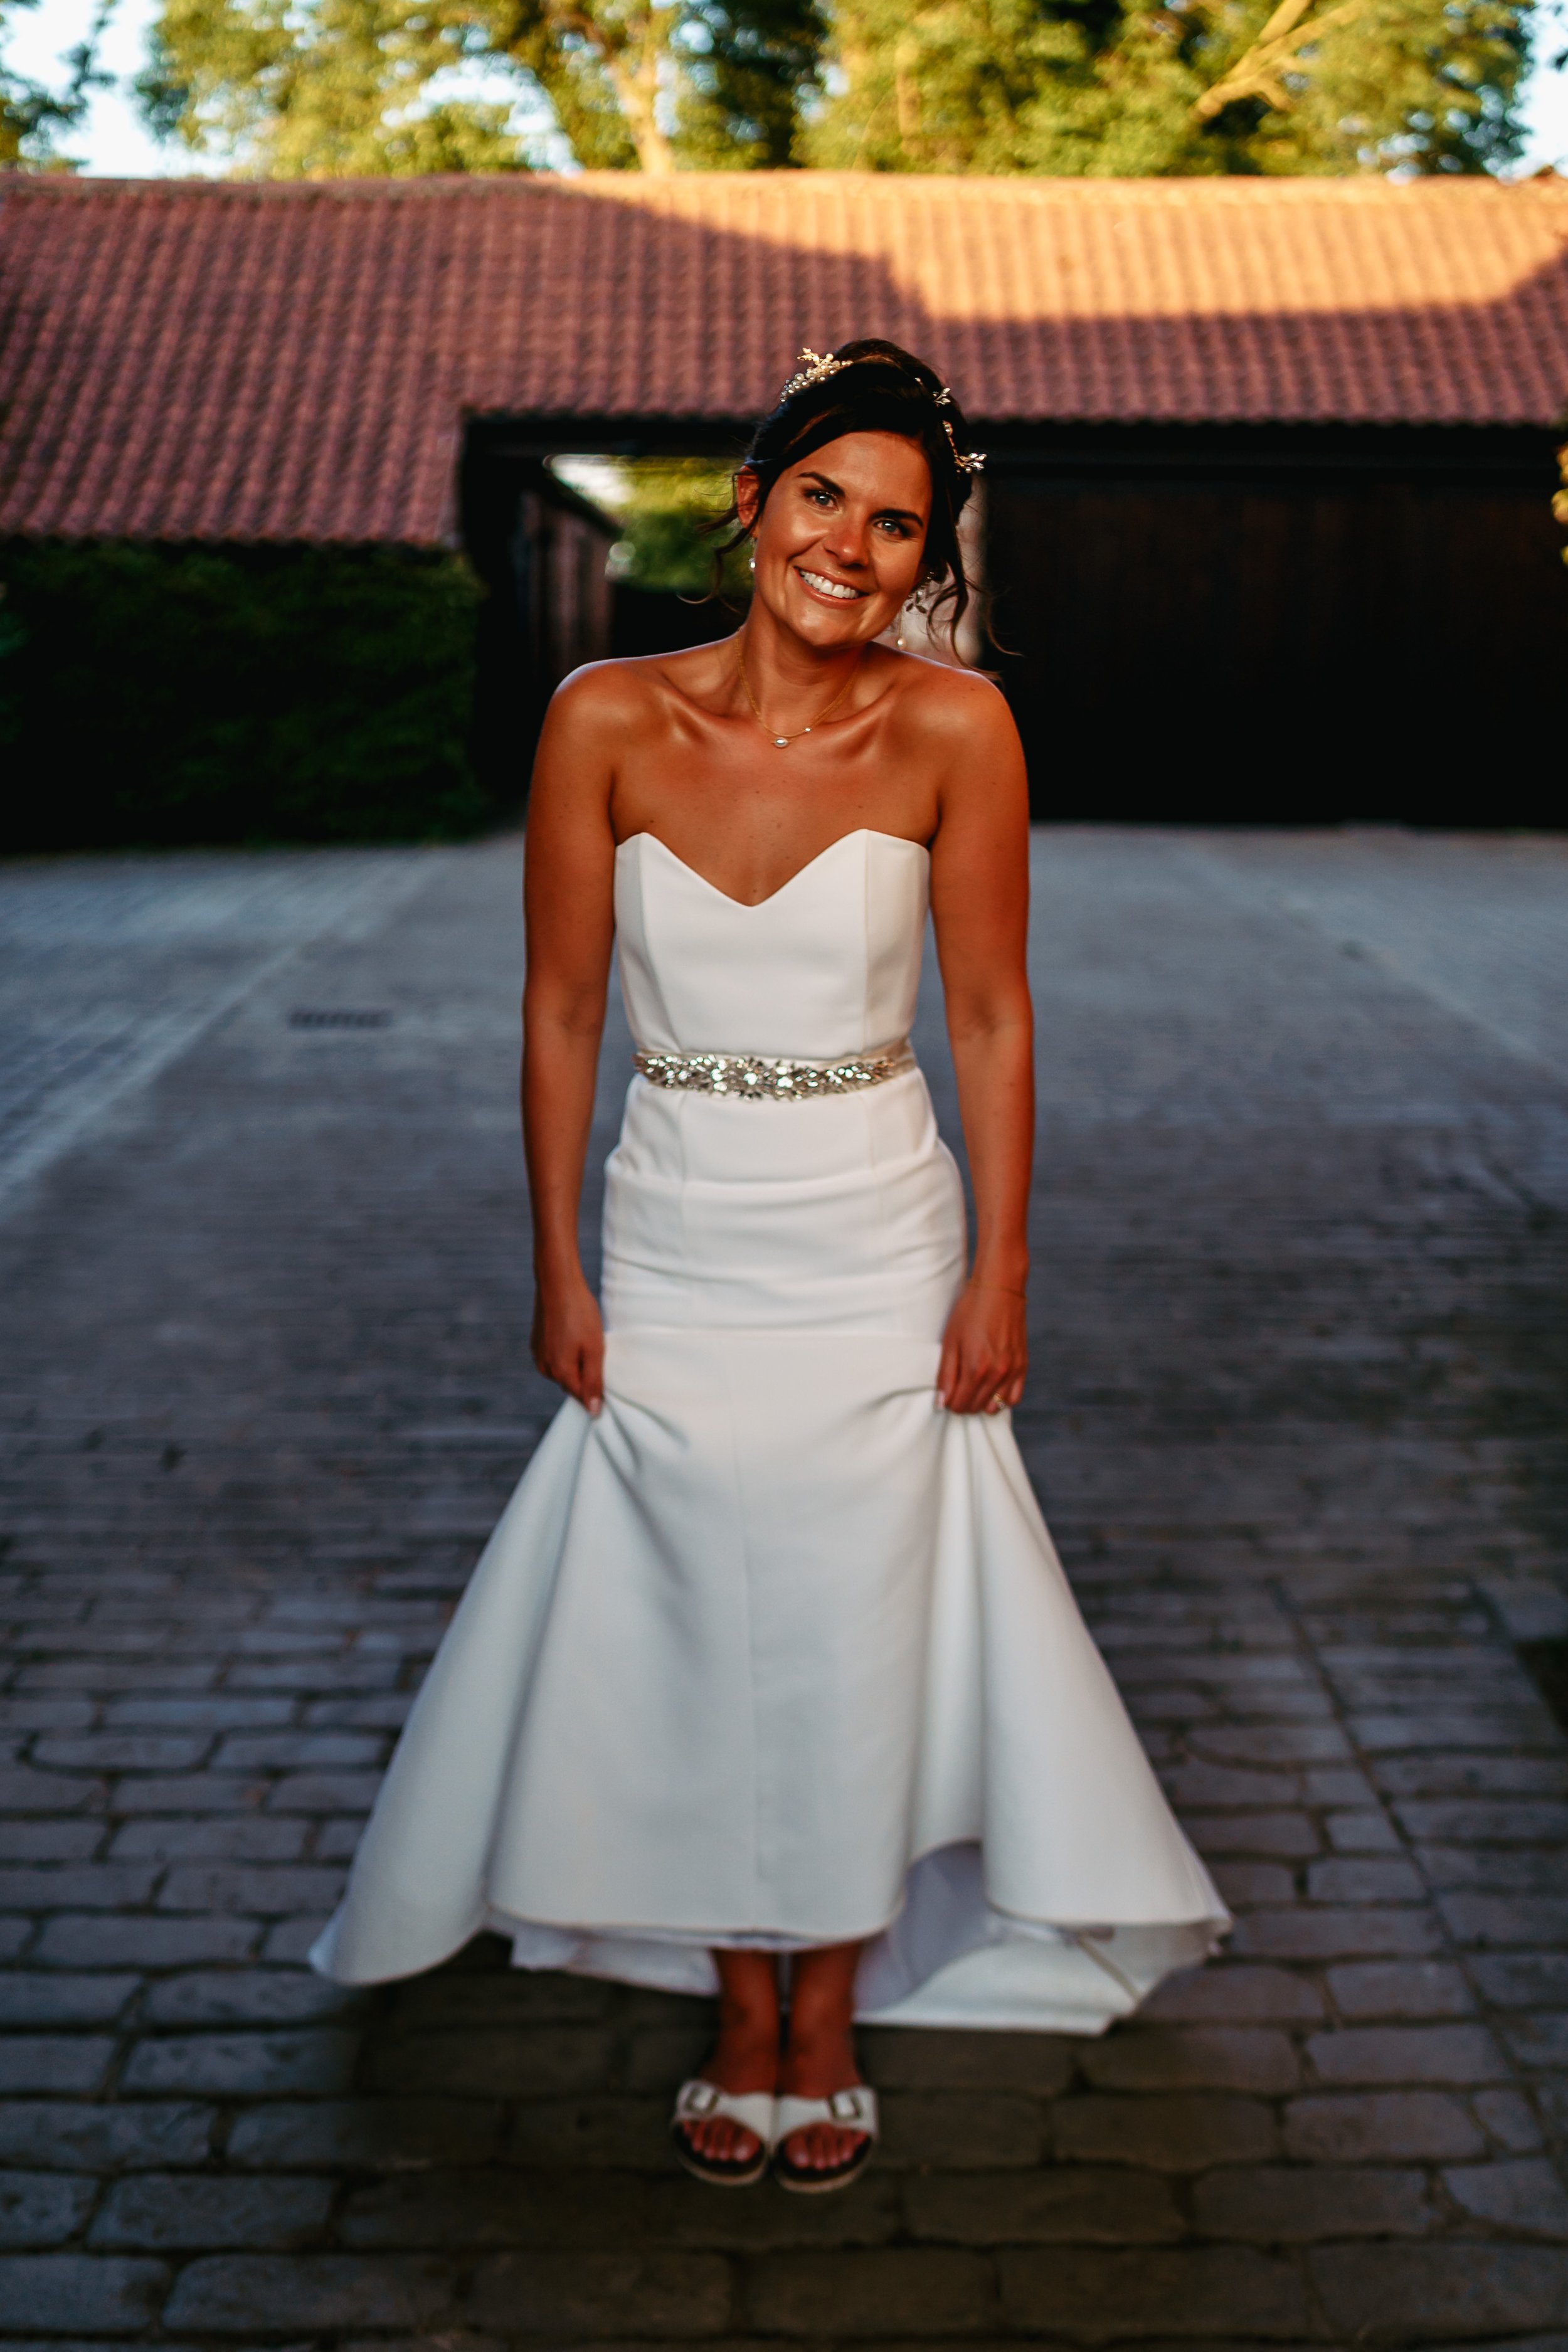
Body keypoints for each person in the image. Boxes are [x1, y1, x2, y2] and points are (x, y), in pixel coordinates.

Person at [312, 339, 1227, 2195]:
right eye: (825, 498)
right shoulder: (601, 718)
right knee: (696, 1624)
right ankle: (746, 2007)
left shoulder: (958, 731)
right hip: (675, 1234)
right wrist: (559, 1268)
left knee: (848, 1625)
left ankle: (826, 2011)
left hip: (877, 1231)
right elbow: (563, 1012)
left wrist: (1001, 1270)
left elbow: (991, 1015)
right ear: (752, 504)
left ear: (925, 560)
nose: (854, 547)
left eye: (899, 525)